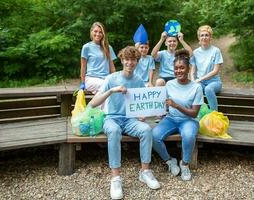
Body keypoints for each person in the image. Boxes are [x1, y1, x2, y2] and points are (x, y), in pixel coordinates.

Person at [90, 46, 160, 200]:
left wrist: (142, 114)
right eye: (126, 59)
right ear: (121, 60)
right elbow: (93, 103)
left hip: (130, 120)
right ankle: (115, 179)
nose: (130, 63)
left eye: (133, 60)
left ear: (137, 62)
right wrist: (111, 91)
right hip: (111, 118)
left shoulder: (139, 80)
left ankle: (145, 172)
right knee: (114, 132)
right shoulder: (111, 78)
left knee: (146, 130)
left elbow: (143, 103)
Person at [152, 49, 204, 181]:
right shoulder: (169, 84)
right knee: (153, 135)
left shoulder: (196, 87)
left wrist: (176, 105)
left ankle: (185, 164)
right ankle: (170, 161)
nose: (179, 71)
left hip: (188, 120)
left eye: (182, 68)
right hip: (171, 119)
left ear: (188, 69)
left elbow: (194, 113)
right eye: (176, 68)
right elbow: (162, 105)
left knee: (189, 135)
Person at [190, 25, 223, 110]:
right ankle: (198, 114)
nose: (204, 37)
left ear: (210, 37)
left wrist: (200, 79)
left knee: (208, 89)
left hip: (214, 82)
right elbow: (193, 70)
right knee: (196, 88)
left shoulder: (216, 51)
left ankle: (214, 114)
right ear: (199, 38)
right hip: (200, 82)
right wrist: (193, 80)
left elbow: (215, 71)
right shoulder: (195, 52)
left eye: (206, 35)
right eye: (202, 35)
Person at [80, 22, 117, 94]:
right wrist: (83, 83)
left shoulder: (108, 48)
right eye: (95, 31)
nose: (98, 34)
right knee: (106, 87)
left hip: (106, 79)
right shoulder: (86, 47)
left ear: (103, 34)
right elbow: (83, 67)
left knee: (112, 90)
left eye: (100, 32)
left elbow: (112, 67)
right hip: (91, 79)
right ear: (91, 32)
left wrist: (115, 80)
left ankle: (94, 105)